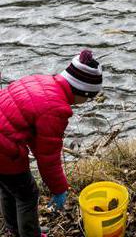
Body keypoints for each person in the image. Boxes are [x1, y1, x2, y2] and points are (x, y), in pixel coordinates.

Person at [0, 50, 102, 237]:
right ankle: (30, 234)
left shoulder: (43, 82)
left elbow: (27, 124)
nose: (85, 103)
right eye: (89, 98)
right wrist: (59, 189)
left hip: (3, 139)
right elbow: (49, 159)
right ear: (81, 90)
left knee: (8, 187)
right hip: (4, 150)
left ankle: (14, 229)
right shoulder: (56, 109)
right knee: (27, 195)